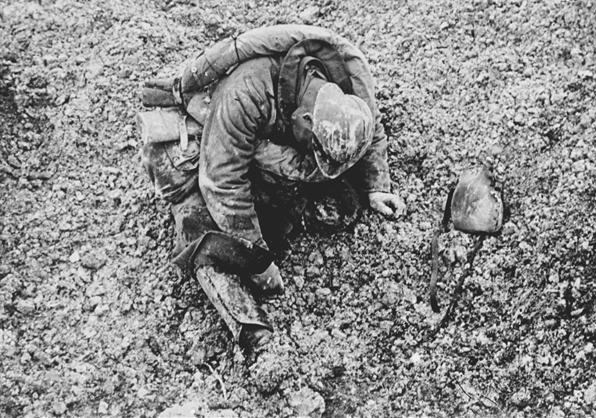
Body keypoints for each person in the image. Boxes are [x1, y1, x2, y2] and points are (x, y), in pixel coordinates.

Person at [138, 25, 405, 357]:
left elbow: (370, 126)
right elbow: (222, 183)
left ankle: (275, 214)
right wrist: (257, 260)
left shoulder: (348, 76)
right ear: (305, 121)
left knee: (341, 206)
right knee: (204, 235)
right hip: (196, 147)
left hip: (260, 143)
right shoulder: (246, 93)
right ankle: (255, 336)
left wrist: (376, 186)